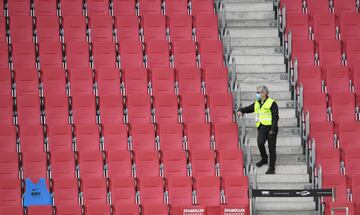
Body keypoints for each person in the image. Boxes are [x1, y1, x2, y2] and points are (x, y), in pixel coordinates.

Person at [236, 85, 279, 174]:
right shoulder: (257, 103)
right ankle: (264, 159)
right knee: (260, 143)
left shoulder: (272, 103)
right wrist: (240, 110)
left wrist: (273, 129)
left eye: (258, 92)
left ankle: (271, 168)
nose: (257, 94)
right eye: (257, 92)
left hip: (271, 128)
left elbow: (275, 117)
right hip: (262, 128)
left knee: (272, 148)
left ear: (264, 93)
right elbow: (249, 108)